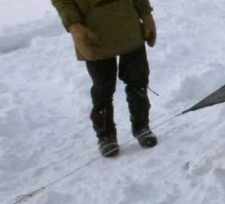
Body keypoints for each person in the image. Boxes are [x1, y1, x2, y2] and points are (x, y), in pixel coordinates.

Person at [51, 0, 159, 157]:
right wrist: (75, 26)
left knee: (138, 77)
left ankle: (142, 126)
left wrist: (146, 14)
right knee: (103, 86)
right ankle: (105, 136)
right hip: (92, 29)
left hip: (128, 23)